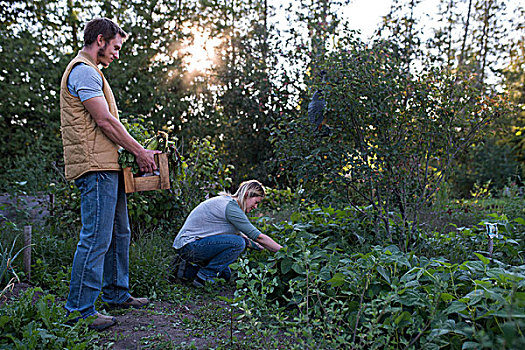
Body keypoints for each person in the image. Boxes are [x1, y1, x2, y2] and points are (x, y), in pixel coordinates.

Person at [60, 18, 160, 331]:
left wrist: (135, 152)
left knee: (119, 234)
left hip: (107, 166)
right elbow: (105, 122)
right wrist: (140, 152)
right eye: (115, 48)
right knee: (96, 239)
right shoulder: (84, 71)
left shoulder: (94, 72)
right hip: (95, 168)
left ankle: (116, 293)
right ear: (100, 40)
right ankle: (79, 310)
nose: (117, 54)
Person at [172, 180, 282, 287]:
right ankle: (204, 277)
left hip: (192, 245)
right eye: (256, 202)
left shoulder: (230, 203)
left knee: (225, 275)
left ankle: (183, 270)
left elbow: (245, 238)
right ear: (247, 195)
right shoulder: (231, 208)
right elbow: (258, 237)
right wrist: (283, 251)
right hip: (189, 245)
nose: (256, 207)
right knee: (238, 243)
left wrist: (260, 247)